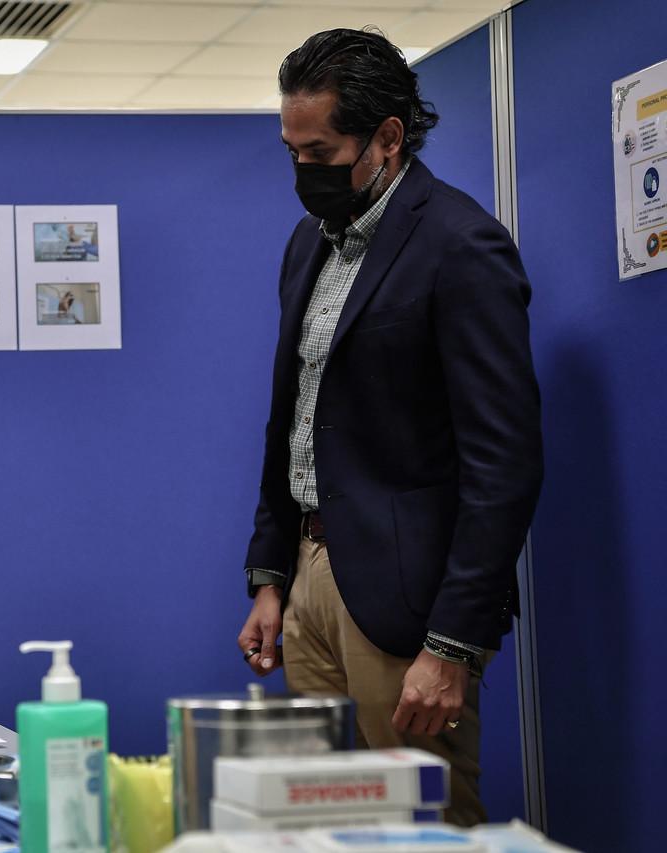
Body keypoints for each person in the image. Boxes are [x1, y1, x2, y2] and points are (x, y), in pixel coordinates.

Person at [236, 28, 543, 826]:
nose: (302, 171)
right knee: (319, 824)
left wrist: (452, 645)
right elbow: (296, 418)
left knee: (421, 825)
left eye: (320, 152)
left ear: (388, 138)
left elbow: (503, 464)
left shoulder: (461, 244)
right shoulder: (309, 244)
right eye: (290, 150)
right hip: (308, 579)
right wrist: (272, 572)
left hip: (405, 602)